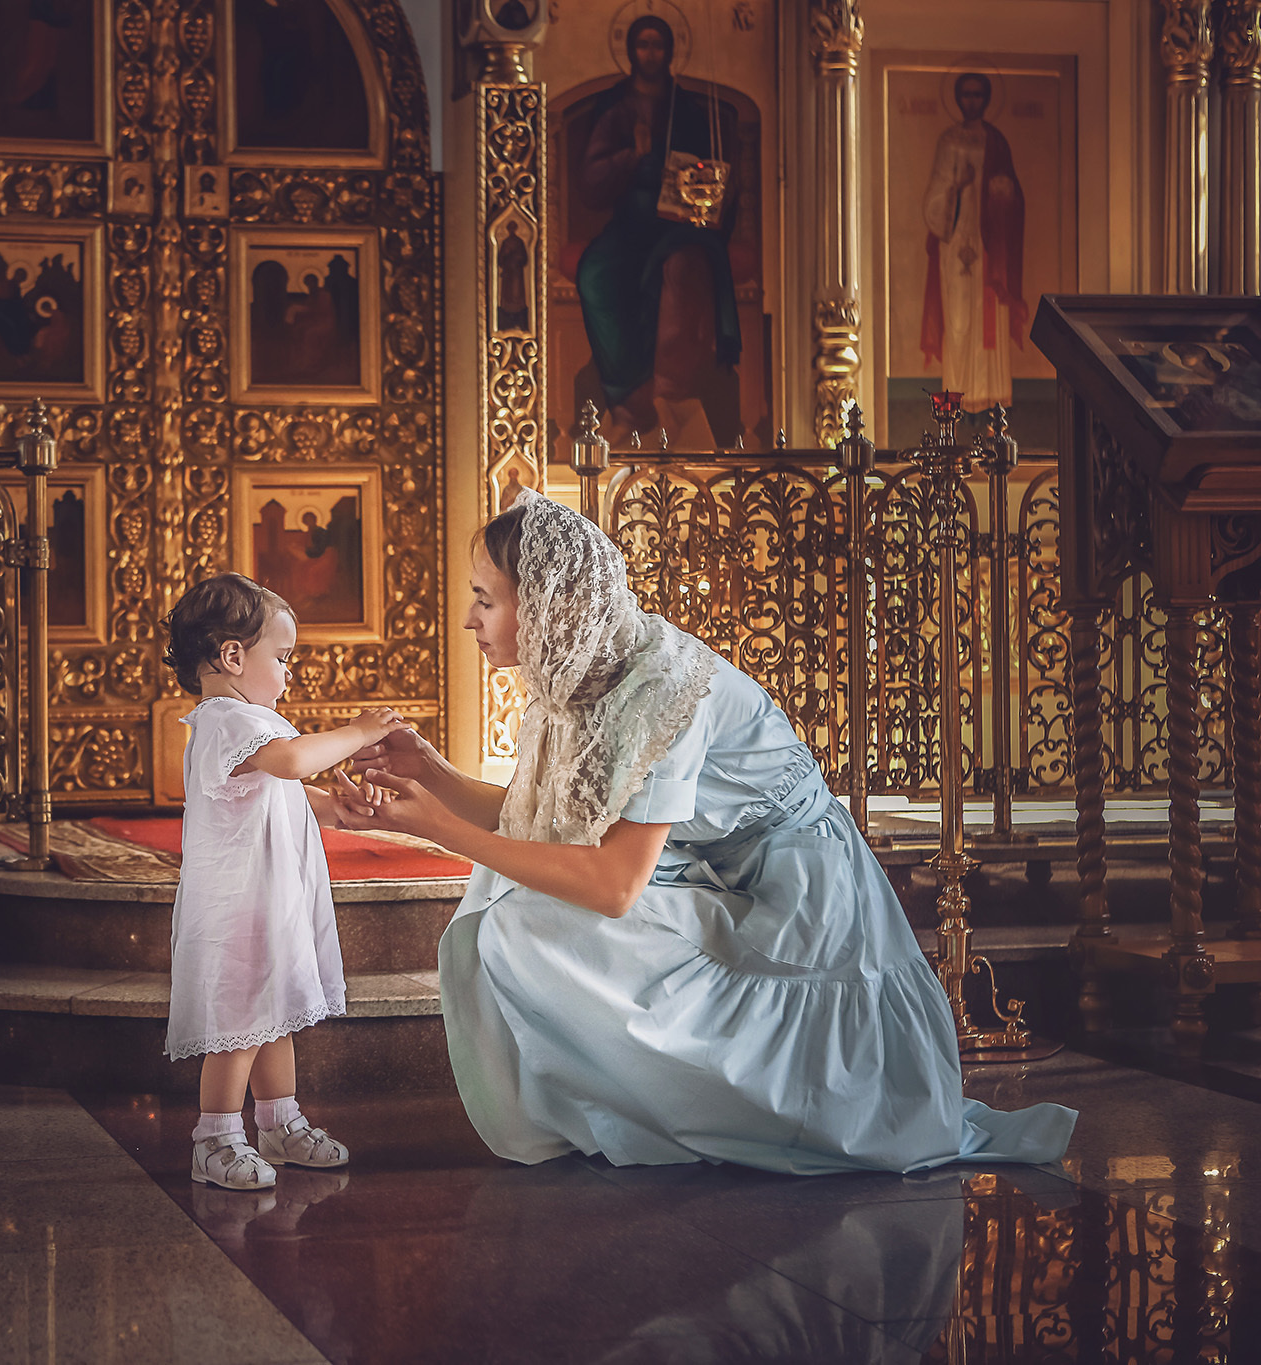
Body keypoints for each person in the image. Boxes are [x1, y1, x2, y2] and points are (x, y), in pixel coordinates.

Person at [337, 494, 1077, 1174]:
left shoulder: (664, 689)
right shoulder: (580, 669)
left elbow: (614, 883)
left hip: (797, 893)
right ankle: (627, 1098)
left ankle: (698, 1104)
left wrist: (441, 831)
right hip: (707, 865)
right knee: (510, 895)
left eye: (484, 599)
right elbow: (542, 823)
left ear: (549, 606)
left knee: (517, 902)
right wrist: (433, 775)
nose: (469, 618)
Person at [161, 573, 409, 1190]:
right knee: (239, 1022)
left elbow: (291, 790)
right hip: (237, 907)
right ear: (233, 656)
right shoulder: (225, 719)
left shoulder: (252, 725)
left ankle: (279, 1122)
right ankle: (214, 1137)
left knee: (275, 1015)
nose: (290, 671)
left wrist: (341, 807)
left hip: (271, 901)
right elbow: (294, 761)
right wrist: (362, 731)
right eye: (282, 656)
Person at [570, 15, 741, 449]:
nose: (650, 53)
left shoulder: (686, 110)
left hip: (681, 222)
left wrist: (695, 184)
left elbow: (713, 173)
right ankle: (627, 402)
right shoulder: (616, 107)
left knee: (684, 270)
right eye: (642, 45)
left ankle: (673, 394)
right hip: (631, 223)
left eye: (657, 45)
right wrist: (632, 154)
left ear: (669, 52)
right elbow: (590, 181)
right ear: (630, 51)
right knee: (594, 273)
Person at [921, 72, 1026, 412]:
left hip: (989, 246)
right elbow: (934, 200)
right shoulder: (947, 141)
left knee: (988, 316)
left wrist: (1003, 193)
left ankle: (993, 401)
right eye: (965, 95)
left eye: (978, 95)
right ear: (957, 98)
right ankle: (954, 402)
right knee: (958, 320)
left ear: (987, 98)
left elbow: (1013, 195)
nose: (971, 101)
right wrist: (957, 185)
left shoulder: (997, 142)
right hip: (955, 243)